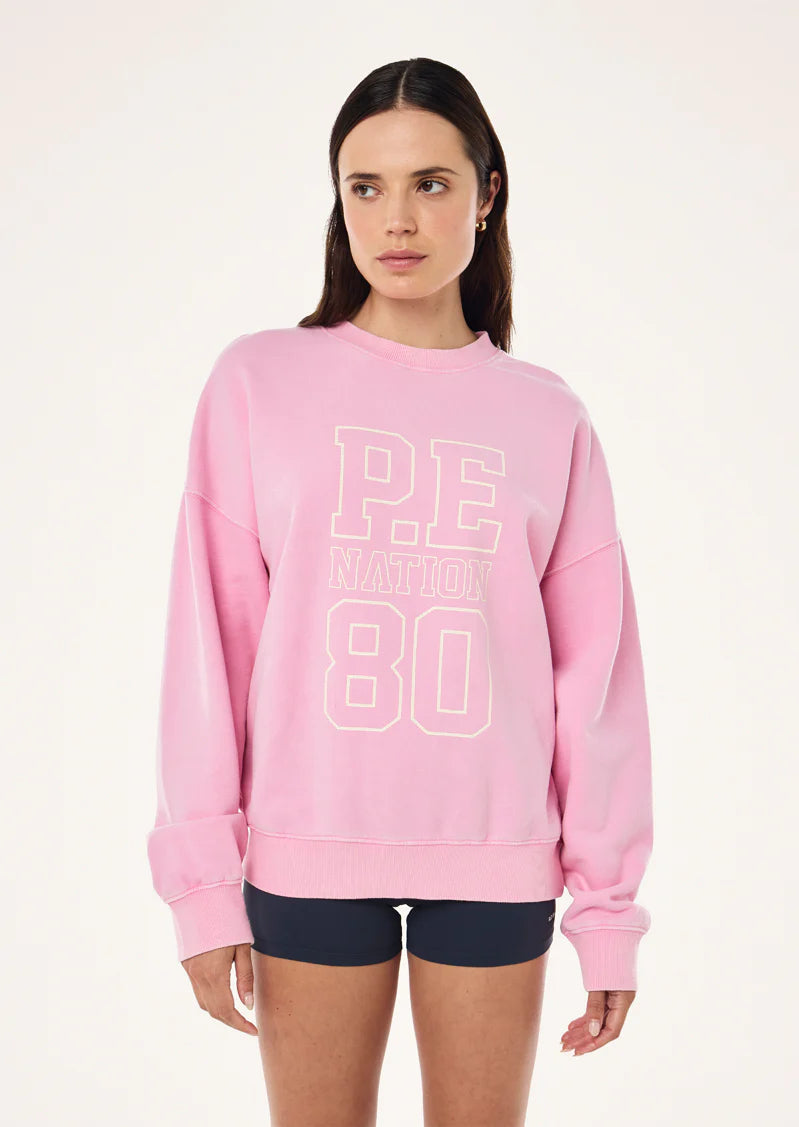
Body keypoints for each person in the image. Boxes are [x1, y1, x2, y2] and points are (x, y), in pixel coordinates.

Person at [146, 56, 654, 1127]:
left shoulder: (546, 414)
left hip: (498, 850)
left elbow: (597, 681)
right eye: (365, 187)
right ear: (338, 201)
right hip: (307, 843)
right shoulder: (258, 382)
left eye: (430, 182)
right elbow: (212, 646)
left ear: (487, 192)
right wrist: (203, 884)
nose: (398, 219)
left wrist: (607, 911)